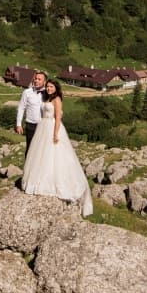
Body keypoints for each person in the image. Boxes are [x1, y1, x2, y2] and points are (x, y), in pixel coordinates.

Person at [21, 79, 93, 216]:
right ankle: (37, 180)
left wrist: (55, 133)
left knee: (54, 154)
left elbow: (58, 117)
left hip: (52, 127)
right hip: (43, 126)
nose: (48, 88)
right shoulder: (47, 98)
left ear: (56, 88)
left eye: (51, 86)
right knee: (41, 155)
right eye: (47, 86)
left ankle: (54, 183)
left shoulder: (57, 99)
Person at [15, 70, 47, 154]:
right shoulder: (27, 92)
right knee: (30, 149)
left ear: (44, 81)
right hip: (30, 125)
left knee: (42, 150)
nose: (36, 80)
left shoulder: (48, 93)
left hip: (44, 125)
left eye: (39, 79)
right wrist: (18, 124)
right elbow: (21, 108)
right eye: (35, 78)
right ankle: (28, 167)